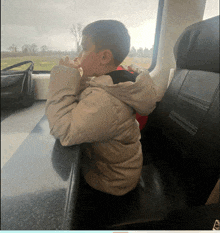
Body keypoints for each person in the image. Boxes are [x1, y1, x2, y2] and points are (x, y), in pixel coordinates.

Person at [46, 19, 158, 197]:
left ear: (104, 57)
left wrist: (63, 77)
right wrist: (78, 82)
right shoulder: (106, 83)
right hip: (104, 170)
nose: (79, 55)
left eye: (83, 48)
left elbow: (64, 131)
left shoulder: (107, 99)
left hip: (112, 183)